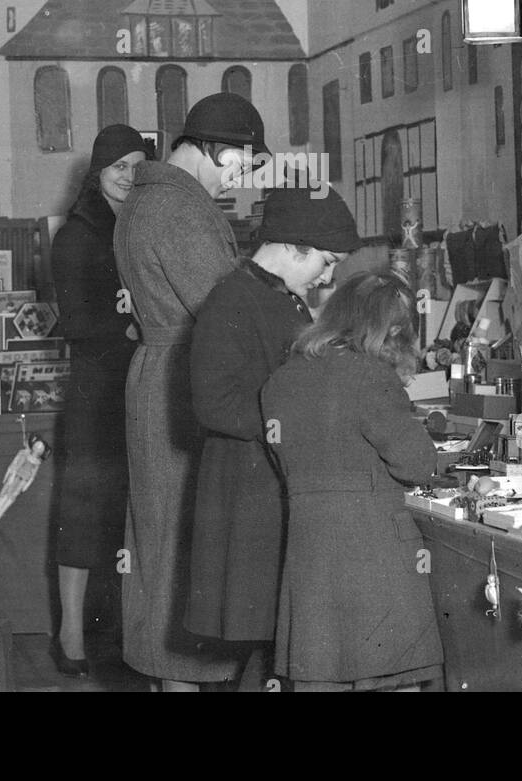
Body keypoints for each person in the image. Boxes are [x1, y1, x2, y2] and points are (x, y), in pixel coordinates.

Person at [113, 92, 266, 691]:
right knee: (180, 546)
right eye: (241, 160)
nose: (243, 175)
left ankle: (168, 679)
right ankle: (178, 680)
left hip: (162, 372)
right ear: (209, 148)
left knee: (161, 540)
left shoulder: (152, 198)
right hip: (185, 380)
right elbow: (225, 306)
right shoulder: (176, 208)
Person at [186, 186, 361, 690]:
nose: (328, 277)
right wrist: (294, 418)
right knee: (274, 637)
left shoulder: (283, 298)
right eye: (326, 262)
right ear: (292, 246)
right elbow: (213, 403)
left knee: (281, 640)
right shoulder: (231, 300)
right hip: (250, 495)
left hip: (276, 485)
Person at [261, 270, 443, 691]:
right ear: (392, 329)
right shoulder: (370, 376)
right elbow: (418, 465)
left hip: (310, 561)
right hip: (375, 561)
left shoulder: (279, 380)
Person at [48, 125, 150, 677]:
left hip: (140, 389)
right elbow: (79, 324)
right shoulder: (77, 234)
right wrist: (131, 324)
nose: (129, 176)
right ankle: (69, 635)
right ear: (97, 172)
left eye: (139, 165)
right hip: (95, 393)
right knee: (83, 517)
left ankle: (121, 634)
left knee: (131, 516)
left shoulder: (144, 224)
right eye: (118, 166)